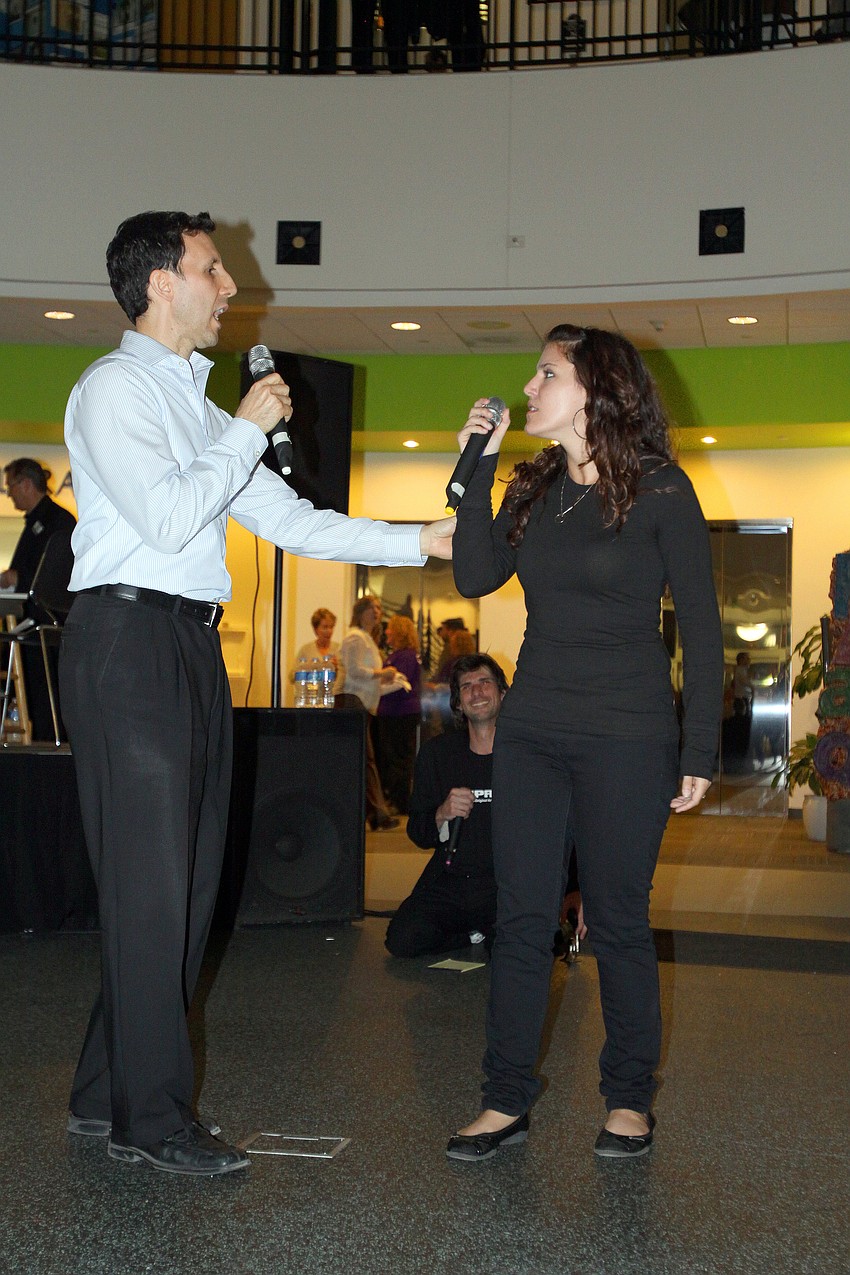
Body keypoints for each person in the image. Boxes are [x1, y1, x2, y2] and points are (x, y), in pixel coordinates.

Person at [60, 210, 454, 1178]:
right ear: (158, 283)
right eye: (211, 269)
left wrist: (419, 544)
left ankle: (99, 1089)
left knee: (182, 886)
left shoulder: (198, 412)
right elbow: (162, 518)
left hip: (183, 647)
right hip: (127, 637)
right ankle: (147, 1123)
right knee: (159, 889)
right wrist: (244, 430)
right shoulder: (113, 389)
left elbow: (297, 524)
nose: (230, 288)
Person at [445, 323, 723, 1163]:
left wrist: (698, 750)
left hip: (627, 735)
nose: (529, 389)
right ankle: (504, 1098)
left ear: (596, 390)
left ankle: (629, 1097)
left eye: (547, 375)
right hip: (534, 731)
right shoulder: (533, 489)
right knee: (522, 915)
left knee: (616, 920)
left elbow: (703, 633)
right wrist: (477, 462)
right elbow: (472, 575)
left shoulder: (663, 491)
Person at [385, 653, 506, 957]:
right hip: (452, 880)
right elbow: (418, 833)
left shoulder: (525, 756)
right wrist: (442, 813)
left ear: (503, 694)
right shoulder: (437, 755)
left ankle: (491, 935)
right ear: (458, 703)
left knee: (519, 949)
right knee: (401, 939)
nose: (476, 692)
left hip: (505, 887)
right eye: (466, 687)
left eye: (484, 682)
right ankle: (470, 935)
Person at [1, 458, 76, 740]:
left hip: (47, 628)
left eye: (11, 486)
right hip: (31, 625)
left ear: (26, 484)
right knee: (34, 697)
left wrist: (16, 578)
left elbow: (58, 576)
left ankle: (50, 751)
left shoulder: (58, 522)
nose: (8, 493)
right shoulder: (40, 520)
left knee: (47, 699)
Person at [339, 595, 400, 830]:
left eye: (379, 608)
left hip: (363, 704)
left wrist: (387, 679)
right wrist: (382, 673)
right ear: (362, 611)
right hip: (353, 703)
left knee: (365, 760)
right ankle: (377, 814)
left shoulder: (367, 640)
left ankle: (374, 813)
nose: (377, 612)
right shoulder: (355, 637)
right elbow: (354, 672)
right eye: (373, 608)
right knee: (366, 760)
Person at [375, 613, 422, 814]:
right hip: (392, 713)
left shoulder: (406, 656)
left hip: (400, 713)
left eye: (390, 629)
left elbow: (400, 683)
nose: (387, 632)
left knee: (399, 758)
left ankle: (400, 802)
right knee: (392, 757)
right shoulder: (397, 656)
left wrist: (375, 687)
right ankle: (396, 799)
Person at [290, 606, 343, 691]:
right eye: (325, 627)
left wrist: (336, 669)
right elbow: (292, 677)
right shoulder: (306, 650)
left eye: (331, 627)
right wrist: (312, 667)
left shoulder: (339, 649)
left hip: (334, 699)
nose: (329, 631)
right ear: (316, 629)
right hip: (311, 698)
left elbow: (346, 679)